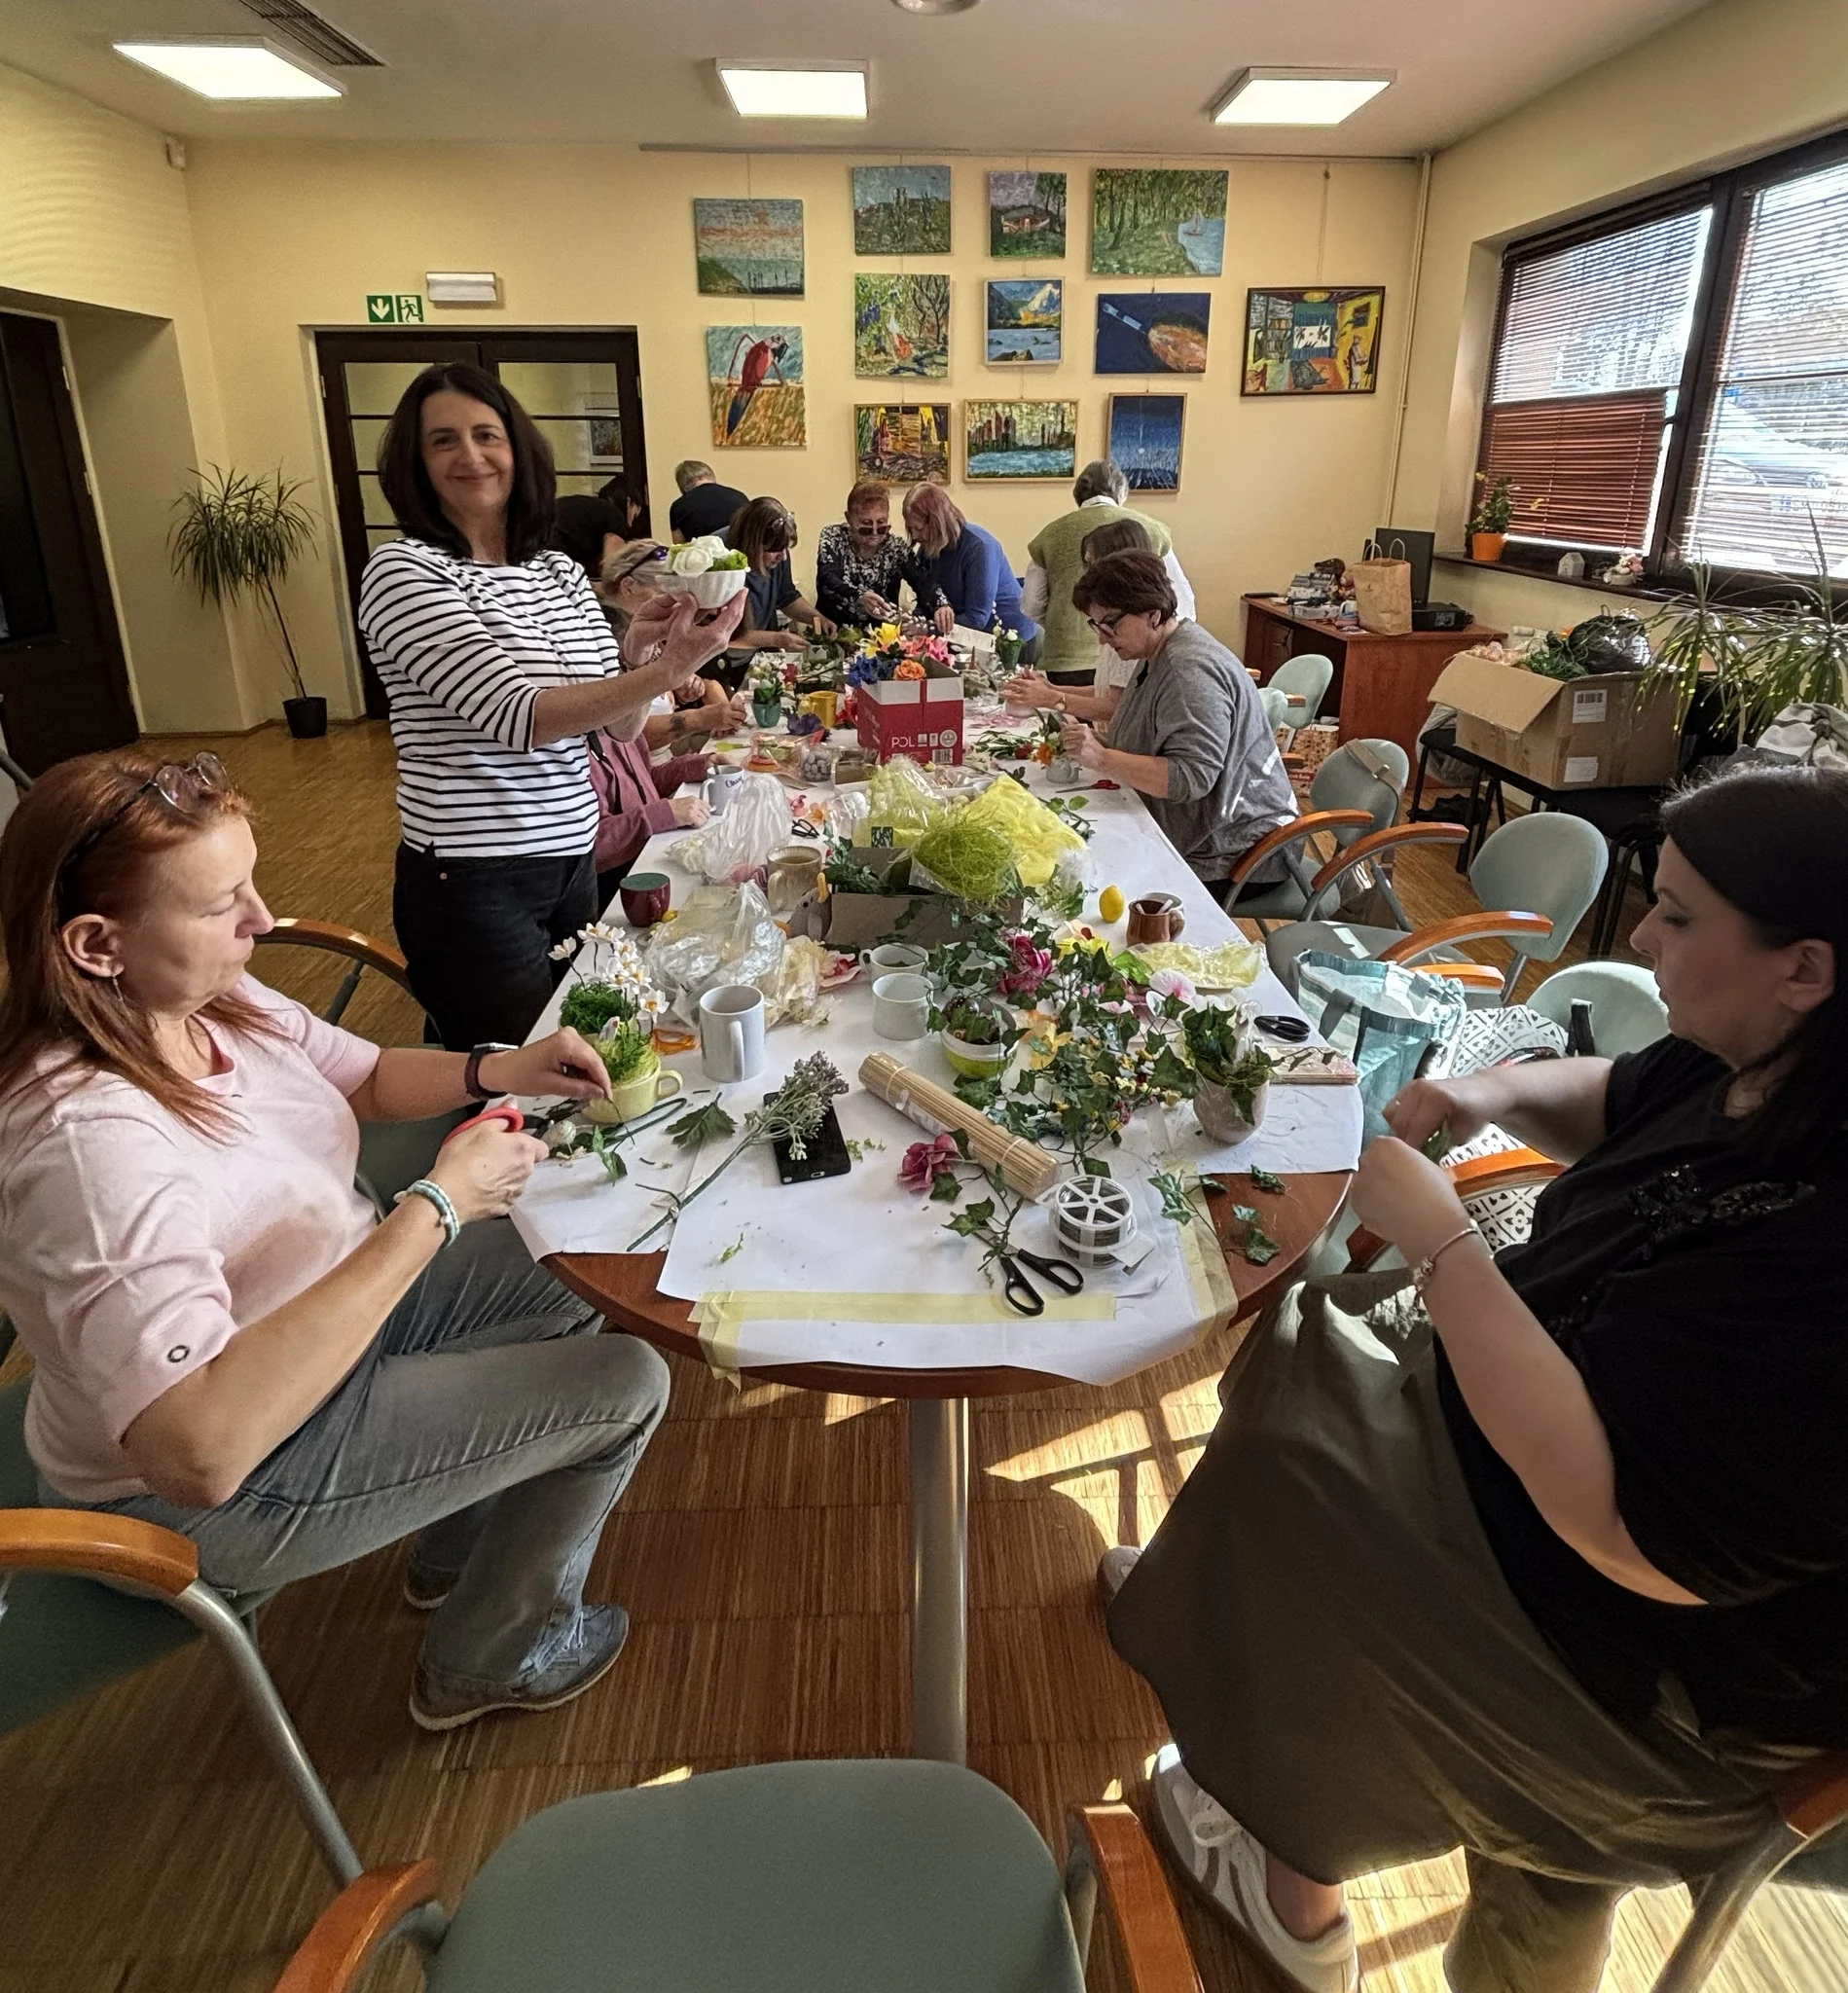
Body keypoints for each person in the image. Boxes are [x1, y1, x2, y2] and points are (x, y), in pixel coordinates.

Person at [1106, 762, 1848, 1993]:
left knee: (1291, 1447)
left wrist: (1451, 1242)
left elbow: (1628, 1536)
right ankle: (1225, 1599)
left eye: (1675, 915)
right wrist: (1484, 1085)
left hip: (1660, 1679)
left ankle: (1296, 1877)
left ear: (1806, 965)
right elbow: (1612, 1093)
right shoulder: (1767, 1063)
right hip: (1581, 1482)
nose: (1645, 939)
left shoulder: (1817, 1269)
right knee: (1306, 1358)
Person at [0, 750, 672, 1732]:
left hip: (324, 1322)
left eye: (254, 881)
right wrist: (435, 1207)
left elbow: (358, 1077)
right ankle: (493, 1651)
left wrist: (502, 1068)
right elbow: (202, 1448)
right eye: (223, 900)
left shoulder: (199, 1000)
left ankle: (453, 1543)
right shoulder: (89, 1147)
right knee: (628, 1384)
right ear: (99, 943)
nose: (263, 918)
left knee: (578, 1253)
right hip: (220, 1483)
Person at [357, 362, 743, 1051]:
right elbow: (519, 715)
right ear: (414, 463)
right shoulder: (402, 572)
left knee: (584, 1050)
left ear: (518, 449)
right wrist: (678, 666)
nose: (470, 455)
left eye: (486, 434)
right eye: (443, 440)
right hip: (473, 879)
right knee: (519, 1074)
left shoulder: (555, 571)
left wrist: (647, 656)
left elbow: (620, 728)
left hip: (571, 860)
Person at [1057, 552, 1294, 899]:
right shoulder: (1157, 651)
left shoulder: (1188, 671)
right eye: (1097, 625)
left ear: (1153, 614)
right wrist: (1098, 744)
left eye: (1111, 624)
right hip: (1206, 834)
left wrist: (1103, 758)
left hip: (1235, 852)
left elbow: (1191, 778)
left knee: (1092, 883)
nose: (1103, 638)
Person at [1022, 460, 1187, 686]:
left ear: (1078, 496)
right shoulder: (1153, 530)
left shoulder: (1050, 534)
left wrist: (1063, 624)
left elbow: (1031, 605)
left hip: (1067, 658)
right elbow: (1183, 601)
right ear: (1121, 493)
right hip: (1138, 655)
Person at [597, 539, 744, 752]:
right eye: (663, 594)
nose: (675, 604)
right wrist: (699, 718)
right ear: (628, 586)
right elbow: (619, 738)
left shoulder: (647, 635)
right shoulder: (608, 638)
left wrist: (683, 682)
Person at [1004, 518, 1152, 724]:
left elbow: (1116, 707)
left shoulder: (1129, 630)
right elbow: (1103, 692)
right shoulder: (1116, 623)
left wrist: (1050, 698)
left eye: (1092, 564)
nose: (1087, 573)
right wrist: (1050, 688)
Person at [901, 485, 1040, 661]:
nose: (915, 535)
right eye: (910, 528)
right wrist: (912, 624)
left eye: (919, 529)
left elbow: (976, 618)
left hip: (1009, 641)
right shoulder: (928, 549)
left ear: (938, 523)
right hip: (962, 637)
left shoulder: (979, 548)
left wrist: (927, 628)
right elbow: (927, 601)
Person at [587, 729, 711, 905]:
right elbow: (592, 846)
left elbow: (646, 781)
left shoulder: (622, 728)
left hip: (652, 854)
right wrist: (662, 814)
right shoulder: (572, 749)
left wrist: (699, 766)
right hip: (616, 885)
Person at [814, 478, 951, 632]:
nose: (874, 532)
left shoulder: (895, 548)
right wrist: (860, 596)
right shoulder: (833, 538)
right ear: (849, 519)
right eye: (866, 524)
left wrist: (941, 604)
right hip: (832, 632)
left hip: (880, 640)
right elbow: (829, 578)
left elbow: (924, 583)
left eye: (881, 524)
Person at [727, 495, 834, 652]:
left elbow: (787, 598)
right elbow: (727, 634)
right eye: (776, 549)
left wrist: (818, 619)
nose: (783, 556)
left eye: (786, 549)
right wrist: (776, 639)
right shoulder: (723, 562)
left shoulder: (778, 552)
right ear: (753, 544)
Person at [551, 492, 629, 583]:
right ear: (630, 502)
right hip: (558, 552)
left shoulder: (591, 508)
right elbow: (612, 567)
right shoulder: (615, 516)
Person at [667, 459, 748, 544]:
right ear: (712, 476)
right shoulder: (739, 496)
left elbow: (679, 548)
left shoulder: (678, 506)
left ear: (681, 487)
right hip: (744, 553)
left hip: (706, 555)